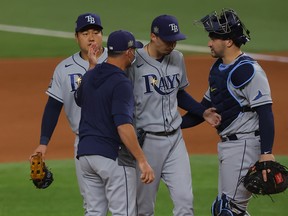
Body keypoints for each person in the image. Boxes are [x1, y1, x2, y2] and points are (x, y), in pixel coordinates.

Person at [182, 8, 276, 215]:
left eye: (213, 37)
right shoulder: (219, 69)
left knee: (228, 210)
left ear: (229, 41)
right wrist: (170, 125)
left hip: (245, 145)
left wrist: (266, 154)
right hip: (230, 146)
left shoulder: (248, 70)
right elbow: (204, 109)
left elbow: (265, 112)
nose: (209, 43)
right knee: (228, 208)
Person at [126, 14, 221, 216]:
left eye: (175, 39)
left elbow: (179, 92)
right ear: (153, 36)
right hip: (146, 142)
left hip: (175, 141)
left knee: (185, 202)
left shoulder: (177, 58)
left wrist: (201, 111)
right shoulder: (134, 62)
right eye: (168, 40)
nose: (172, 44)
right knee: (143, 208)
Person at [30, 12, 108, 213]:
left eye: (96, 32)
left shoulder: (116, 59)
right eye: (85, 33)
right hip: (84, 142)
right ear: (76, 37)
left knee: (125, 202)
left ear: (102, 35)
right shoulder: (64, 68)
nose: (91, 37)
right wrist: (43, 142)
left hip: (117, 140)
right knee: (92, 205)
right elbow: (53, 106)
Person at [74, 30, 155, 216]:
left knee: (94, 212)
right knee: (123, 213)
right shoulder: (121, 82)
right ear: (128, 53)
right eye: (133, 50)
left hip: (86, 156)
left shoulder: (90, 74)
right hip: (112, 157)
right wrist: (142, 161)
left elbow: (79, 98)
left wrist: (92, 67)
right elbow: (123, 125)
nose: (134, 53)